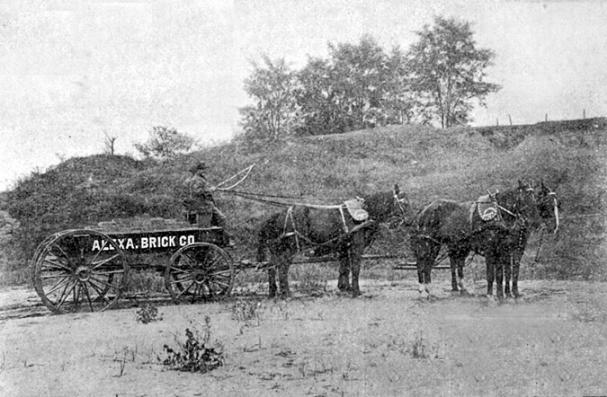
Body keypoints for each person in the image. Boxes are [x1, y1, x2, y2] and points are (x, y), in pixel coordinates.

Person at [183, 161, 234, 246]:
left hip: (209, 205)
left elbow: (204, 189)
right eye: (203, 169)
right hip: (202, 207)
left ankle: (224, 240)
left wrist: (211, 189)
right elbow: (196, 191)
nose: (205, 171)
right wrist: (210, 190)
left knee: (222, 219)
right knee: (204, 228)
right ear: (199, 170)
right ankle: (205, 245)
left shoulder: (202, 179)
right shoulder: (196, 179)